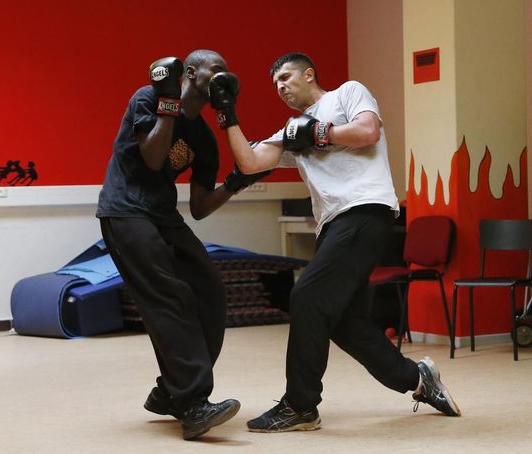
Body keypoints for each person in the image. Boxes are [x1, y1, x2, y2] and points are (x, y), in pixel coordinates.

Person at [208, 52, 461, 433]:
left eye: (287, 77)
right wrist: (227, 113)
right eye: (275, 83)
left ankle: (300, 405)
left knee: (307, 297)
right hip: (332, 226)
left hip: (365, 211)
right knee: (345, 323)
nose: (281, 87)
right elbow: (250, 162)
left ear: (310, 74)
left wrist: (317, 132)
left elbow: (367, 132)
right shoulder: (293, 130)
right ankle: (420, 379)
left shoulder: (347, 94)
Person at [96, 49, 269, 440]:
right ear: (191, 72)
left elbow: (201, 207)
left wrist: (236, 183)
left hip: (163, 216)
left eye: (228, 71)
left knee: (210, 290)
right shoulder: (148, 98)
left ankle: (170, 392)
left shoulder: (205, 137)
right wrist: (169, 104)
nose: (224, 76)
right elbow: (154, 159)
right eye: (216, 70)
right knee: (170, 296)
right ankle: (192, 403)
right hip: (125, 212)